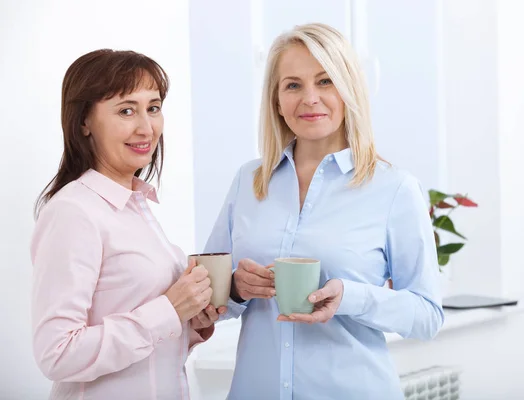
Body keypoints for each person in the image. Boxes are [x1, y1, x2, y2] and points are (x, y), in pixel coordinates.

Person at [205, 23, 445, 399]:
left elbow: (428, 315)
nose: (310, 98)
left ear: (348, 90)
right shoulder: (247, 181)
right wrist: (235, 288)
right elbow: (213, 298)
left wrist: (350, 297)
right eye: (293, 85)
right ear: (276, 100)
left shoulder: (394, 189)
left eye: (326, 81)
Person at [31, 49, 224, 400]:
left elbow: (147, 342)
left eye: (153, 107)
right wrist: (168, 310)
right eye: (126, 110)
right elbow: (56, 353)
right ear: (84, 122)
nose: (146, 127)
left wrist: (192, 321)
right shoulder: (74, 211)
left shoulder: (137, 206)